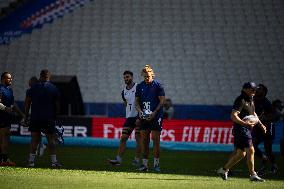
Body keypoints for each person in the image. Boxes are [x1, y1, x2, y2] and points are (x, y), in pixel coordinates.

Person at [217, 82, 266, 182]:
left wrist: (260, 124)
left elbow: (253, 113)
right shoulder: (241, 100)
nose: (254, 91)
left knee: (241, 154)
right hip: (241, 129)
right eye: (252, 89)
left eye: (255, 89)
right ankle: (253, 175)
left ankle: (223, 170)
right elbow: (233, 116)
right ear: (245, 89)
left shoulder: (250, 99)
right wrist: (245, 124)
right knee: (251, 150)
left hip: (245, 129)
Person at [24, 69, 61, 168]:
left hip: (35, 117)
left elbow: (27, 103)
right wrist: (55, 117)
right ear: (49, 76)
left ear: (40, 76)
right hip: (48, 118)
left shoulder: (33, 88)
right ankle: (54, 162)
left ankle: (31, 162)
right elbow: (57, 105)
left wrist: (25, 116)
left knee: (34, 140)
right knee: (51, 140)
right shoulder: (54, 88)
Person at [135, 65, 165, 172]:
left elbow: (162, 101)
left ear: (152, 75)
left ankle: (156, 165)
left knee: (155, 140)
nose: (146, 78)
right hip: (144, 116)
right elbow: (136, 102)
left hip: (156, 116)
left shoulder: (158, 86)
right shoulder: (139, 86)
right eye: (144, 77)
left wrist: (155, 112)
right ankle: (145, 165)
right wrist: (140, 112)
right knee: (144, 140)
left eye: (148, 76)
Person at [108, 70, 141, 166]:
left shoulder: (138, 87)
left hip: (139, 117)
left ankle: (137, 160)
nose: (126, 79)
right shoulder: (123, 92)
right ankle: (118, 160)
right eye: (124, 77)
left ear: (132, 77)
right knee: (123, 138)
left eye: (127, 77)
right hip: (129, 118)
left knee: (138, 139)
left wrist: (140, 116)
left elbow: (143, 102)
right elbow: (126, 103)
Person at [0, 72, 25, 166]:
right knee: (4, 138)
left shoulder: (9, 90)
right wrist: (5, 108)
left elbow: (13, 104)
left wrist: (22, 114)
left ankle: (3, 159)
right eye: (8, 78)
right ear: (3, 79)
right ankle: (4, 160)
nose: (11, 80)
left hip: (7, 118)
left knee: (4, 138)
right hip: (2, 117)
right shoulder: (0, 89)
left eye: (11, 78)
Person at [252, 84, 278, 174]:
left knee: (268, 148)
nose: (257, 89)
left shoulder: (266, 103)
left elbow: (273, 115)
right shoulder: (252, 100)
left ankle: (274, 165)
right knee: (252, 145)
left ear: (263, 92)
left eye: (259, 88)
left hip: (268, 126)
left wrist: (265, 118)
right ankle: (263, 158)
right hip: (257, 126)